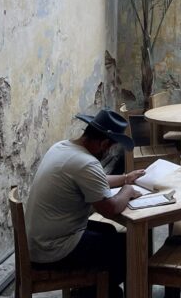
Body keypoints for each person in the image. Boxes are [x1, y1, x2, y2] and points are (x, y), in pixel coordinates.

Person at [25, 108, 146, 294]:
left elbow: (95, 181)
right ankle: (97, 292)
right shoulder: (86, 163)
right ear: (104, 143)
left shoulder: (63, 147)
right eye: (111, 148)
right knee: (126, 250)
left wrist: (125, 178)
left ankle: (95, 289)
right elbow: (111, 209)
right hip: (53, 249)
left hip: (38, 242)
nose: (109, 153)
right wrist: (127, 190)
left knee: (109, 232)